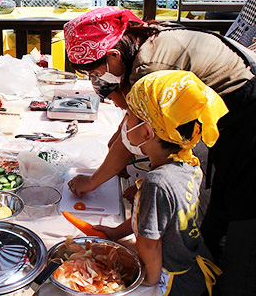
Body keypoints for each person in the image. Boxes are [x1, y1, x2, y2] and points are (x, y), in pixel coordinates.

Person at [64, 6, 256, 295]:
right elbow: (131, 127)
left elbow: (130, 136)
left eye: (94, 72)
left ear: (114, 55)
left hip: (247, 113)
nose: (96, 81)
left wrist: (91, 182)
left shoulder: (150, 71)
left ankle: (235, 283)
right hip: (222, 113)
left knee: (244, 206)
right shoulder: (136, 51)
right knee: (220, 198)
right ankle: (206, 258)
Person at [89, 70, 225, 296]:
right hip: (190, 262)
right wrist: (116, 233)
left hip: (171, 280)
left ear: (146, 132)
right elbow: (151, 219)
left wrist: (146, 282)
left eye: (129, 116)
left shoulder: (157, 182)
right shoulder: (188, 163)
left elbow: (149, 243)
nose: (125, 122)